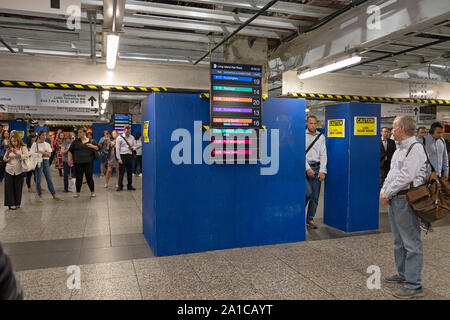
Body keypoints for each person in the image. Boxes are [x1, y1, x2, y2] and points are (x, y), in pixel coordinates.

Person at [380, 116, 427, 299]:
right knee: (399, 241)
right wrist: (384, 191)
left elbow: (406, 176)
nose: (391, 130)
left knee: (411, 243)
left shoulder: (415, 149)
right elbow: (393, 172)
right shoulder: (400, 149)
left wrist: (388, 192)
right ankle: (403, 274)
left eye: (393, 127)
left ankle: (414, 285)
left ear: (402, 128)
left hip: (407, 200)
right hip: (395, 200)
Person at [421, 122, 449, 232]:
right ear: (432, 131)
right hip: (426, 176)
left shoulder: (442, 141)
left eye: (442, 132)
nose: (441, 135)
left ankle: (426, 221)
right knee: (427, 199)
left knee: (435, 198)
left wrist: (446, 171)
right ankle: (424, 221)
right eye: (438, 132)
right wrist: (424, 173)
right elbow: (420, 159)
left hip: (438, 175)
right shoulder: (423, 141)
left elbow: (445, 157)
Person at [305, 115, 327, 229]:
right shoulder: (302, 136)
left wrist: (323, 170)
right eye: (310, 123)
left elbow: (323, 154)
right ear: (306, 124)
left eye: (314, 123)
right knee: (307, 193)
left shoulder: (321, 137)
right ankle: (299, 216)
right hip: (305, 169)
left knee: (315, 196)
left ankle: (310, 219)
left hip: (317, 168)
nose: (312, 125)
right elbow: (299, 153)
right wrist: (307, 168)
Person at [30, 131, 64, 202]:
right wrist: (43, 153)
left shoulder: (47, 144)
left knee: (49, 179)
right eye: (43, 135)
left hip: (45, 162)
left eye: (45, 135)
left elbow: (49, 155)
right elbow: (31, 153)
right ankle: (40, 195)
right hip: (38, 162)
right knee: (38, 180)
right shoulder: (35, 144)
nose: (44, 137)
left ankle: (54, 195)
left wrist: (41, 152)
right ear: (39, 136)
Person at [68, 128, 99, 198]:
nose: (78, 134)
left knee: (89, 177)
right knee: (79, 178)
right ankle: (77, 193)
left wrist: (92, 146)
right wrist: (69, 160)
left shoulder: (91, 141)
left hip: (89, 163)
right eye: (78, 132)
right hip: (78, 163)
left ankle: (92, 192)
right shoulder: (75, 142)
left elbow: (97, 148)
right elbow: (70, 151)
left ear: (84, 133)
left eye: (80, 132)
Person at [3, 134, 29, 210]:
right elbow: (5, 159)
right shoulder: (9, 148)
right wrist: (7, 153)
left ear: (18, 140)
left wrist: (17, 153)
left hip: (19, 170)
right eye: (12, 141)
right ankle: (11, 204)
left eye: (15, 141)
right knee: (9, 188)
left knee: (18, 188)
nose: (13, 143)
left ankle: (17, 203)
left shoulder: (23, 147)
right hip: (9, 170)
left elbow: (27, 156)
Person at [116, 126, 137, 191]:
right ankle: (120, 186)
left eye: (129, 132)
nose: (128, 133)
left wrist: (132, 148)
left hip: (129, 156)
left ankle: (129, 185)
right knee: (121, 172)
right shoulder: (119, 138)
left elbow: (134, 146)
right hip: (122, 156)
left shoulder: (132, 137)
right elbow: (117, 148)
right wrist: (119, 158)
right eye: (127, 132)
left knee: (129, 172)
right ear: (124, 131)